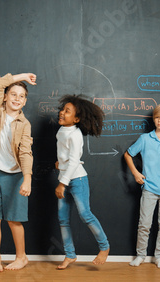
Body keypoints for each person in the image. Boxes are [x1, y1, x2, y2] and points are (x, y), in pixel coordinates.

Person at [0, 73, 36, 272]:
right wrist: (23, 77)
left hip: (16, 176)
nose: (16, 98)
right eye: (12, 94)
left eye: (21, 96)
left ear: (25, 101)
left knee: (14, 220)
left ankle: (21, 257)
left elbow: (25, 153)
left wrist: (27, 179)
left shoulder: (25, 124)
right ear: (5, 97)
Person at [124, 102, 160, 269]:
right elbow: (128, 155)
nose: (159, 120)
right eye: (157, 117)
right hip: (149, 189)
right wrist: (135, 173)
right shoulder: (145, 139)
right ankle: (140, 255)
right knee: (144, 224)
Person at [54, 94, 110, 269]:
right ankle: (70, 255)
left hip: (77, 179)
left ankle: (104, 246)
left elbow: (74, 161)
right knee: (63, 219)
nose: (62, 113)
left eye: (67, 111)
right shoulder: (62, 131)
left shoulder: (75, 135)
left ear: (77, 118)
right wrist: (59, 163)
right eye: (62, 110)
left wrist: (62, 183)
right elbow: (67, 157)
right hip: (65, 176)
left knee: (85, 214)